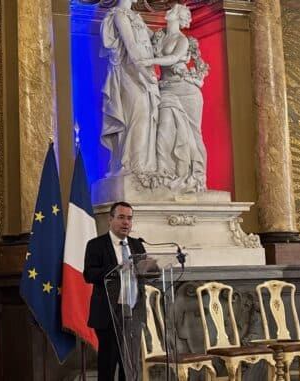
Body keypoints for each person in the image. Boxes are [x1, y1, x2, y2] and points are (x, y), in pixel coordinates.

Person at [83, 201, 158, 381]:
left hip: (133, 313)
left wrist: (150, 269)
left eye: (129, 218)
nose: (126, 223)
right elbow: (89, 274)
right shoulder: (96, 245)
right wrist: (116, 268)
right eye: (121, 217)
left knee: (130, 367)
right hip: (109, 314)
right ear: (110, 220)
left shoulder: (137, 246)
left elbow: (144, 275)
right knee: (108, 366)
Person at [139, 4, 209, 193]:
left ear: (179, 16)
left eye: (173, 9)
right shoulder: (160, 36)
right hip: (166, 90)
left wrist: (151, 62)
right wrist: (132, 17)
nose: (168, 10)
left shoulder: (182, 39)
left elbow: (174, 58)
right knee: (164, 131)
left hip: (186, 91)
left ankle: (197, 176)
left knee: (193, 134)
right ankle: (165, 171)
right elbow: (140, 29)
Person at [98, 0, 160, 183]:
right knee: (137, 115)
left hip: (144, 74)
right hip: (129, 73)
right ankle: (131, 165)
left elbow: (155, 42)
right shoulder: (119, 15)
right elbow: (131, 47)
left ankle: (145, 167)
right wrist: (146, 74)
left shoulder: (136, 17)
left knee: (148, 117)